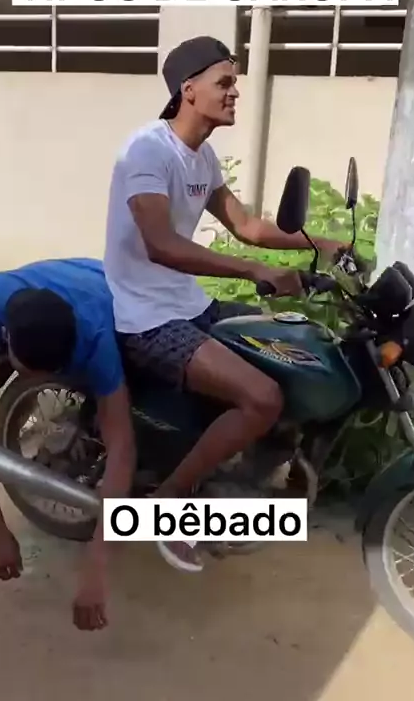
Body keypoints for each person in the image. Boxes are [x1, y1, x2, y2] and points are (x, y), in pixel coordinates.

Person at [103, 35, 343, 572]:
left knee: (287, 349)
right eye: (225, 83)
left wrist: (324, 244)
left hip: (187, 303)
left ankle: (245, 474)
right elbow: (160, 244)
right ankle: (169, 506)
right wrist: (255, 270)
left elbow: (248, 225)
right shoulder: (148, 151)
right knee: (262, 398)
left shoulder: (201, 155)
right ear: (188, 90)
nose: (235, 93)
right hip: (145, 314)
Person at [0, 256, 135, 631]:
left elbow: (122, 445)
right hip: (61, 288)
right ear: (5, 340)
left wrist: (97, 568)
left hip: (109, 286)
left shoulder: (95, 334)